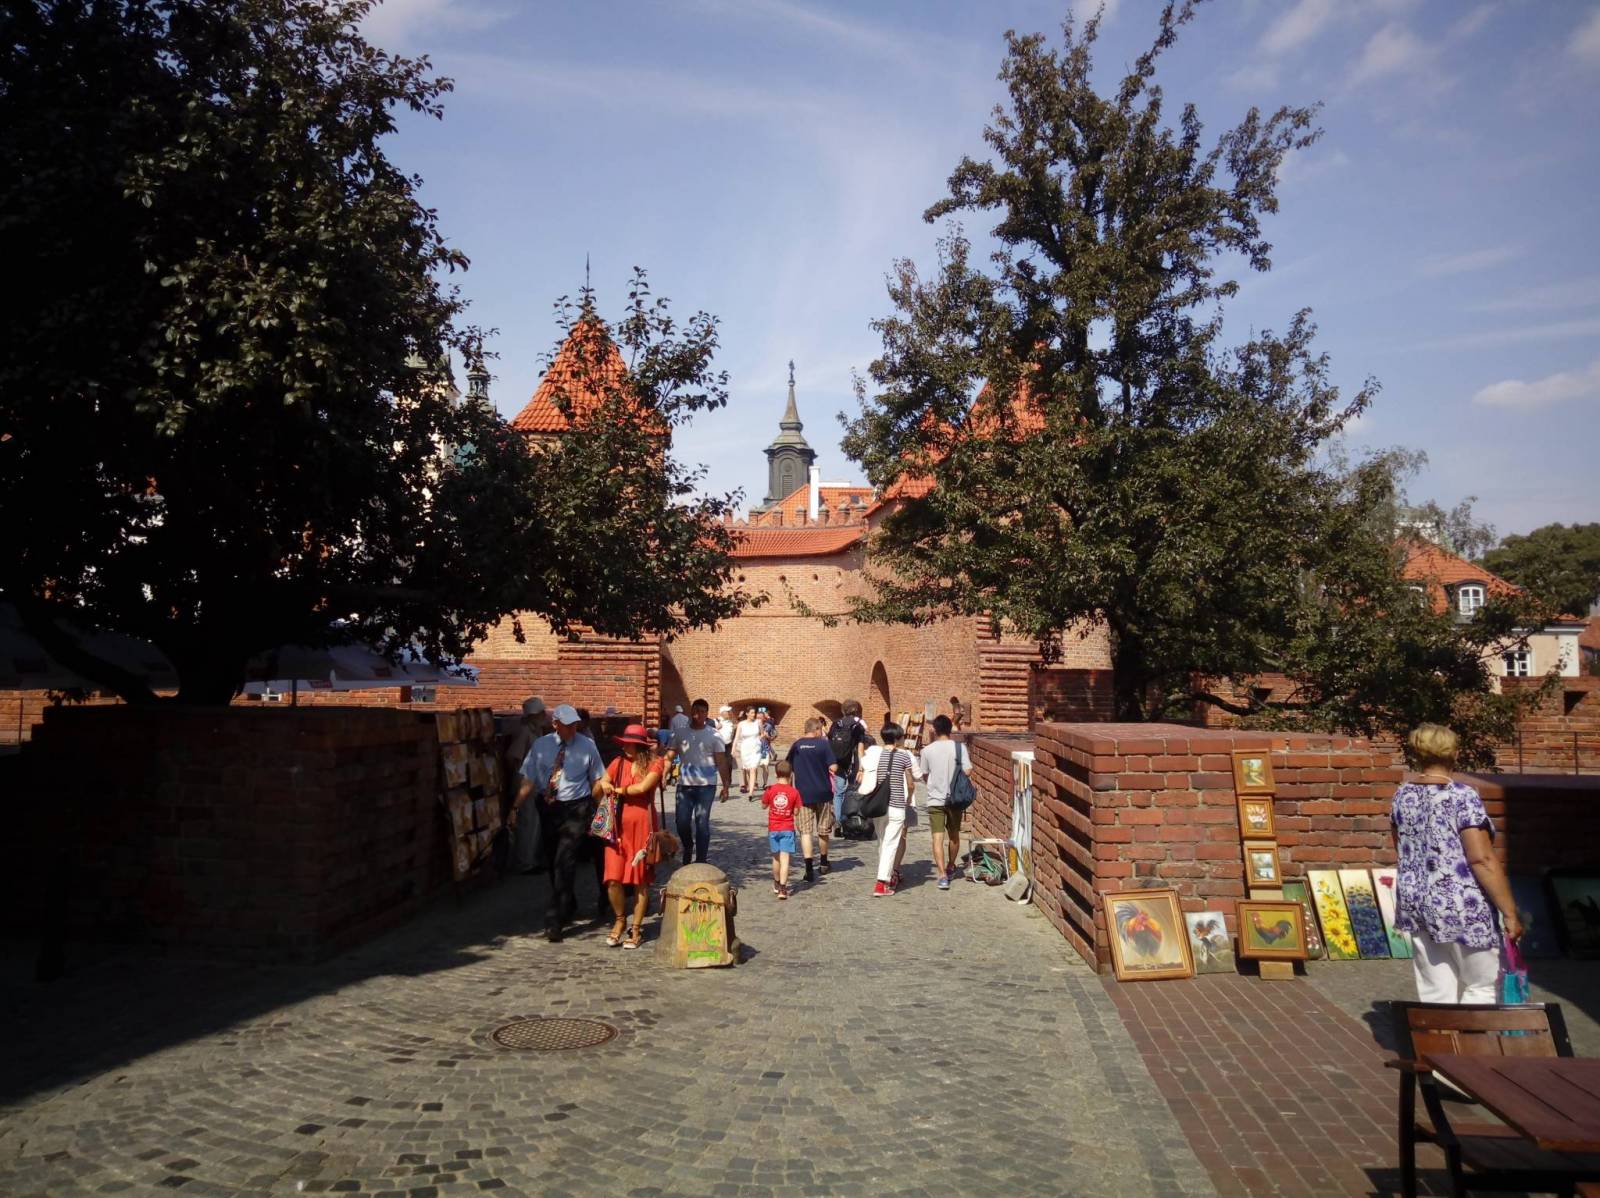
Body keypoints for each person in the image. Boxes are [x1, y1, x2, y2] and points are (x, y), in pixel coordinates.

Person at [1390, 723, 1522, 1003]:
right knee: (1482, 985)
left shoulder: (1402, 795)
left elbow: (1401, 849)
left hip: (1417, 902)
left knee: (1435, 991)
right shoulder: (1462, 796)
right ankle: (1471, 1034)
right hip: (1464, 905)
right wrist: (1510, 912)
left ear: (1416, 753)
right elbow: (1481, 858)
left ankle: (1440, 1033)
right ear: (1455, 753)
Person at [514, 703, 611, 943]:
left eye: (575, 725)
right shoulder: (541, 745)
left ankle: (555, 918)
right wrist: (515, 807)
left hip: (576, 808)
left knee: (565, 860)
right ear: (555, 724)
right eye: (568, 725)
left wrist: (601, 809)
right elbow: (529, 779)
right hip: (548, 807)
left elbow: (597, 779)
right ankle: (567, 901)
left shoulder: (587, 745)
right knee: (552, 859)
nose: (572, 729)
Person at [601, 724, 664, 950]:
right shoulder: (618, 763)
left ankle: (636, 928)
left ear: (640, 746)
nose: (625, 747)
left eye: (629, 743)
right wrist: (605, 784)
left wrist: (618, 790)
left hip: (642, 826)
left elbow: (642, 788)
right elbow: (602, 781)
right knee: (612, 878)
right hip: (616, 827)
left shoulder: (656, 763)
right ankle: (620, 920)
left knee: (640, 880)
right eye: (624, 743)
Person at [859, 722, 920, 897]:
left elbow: (862, 760)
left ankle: (884, 877)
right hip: (897, 805)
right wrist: (909, 798)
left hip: (878, 804)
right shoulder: (904, 756)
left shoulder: (875, 754)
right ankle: (882, 883)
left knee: (882, 841)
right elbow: (911, 782)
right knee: (891, 843)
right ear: (898, 738)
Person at [671, 698, 730, 865]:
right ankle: (688, 846)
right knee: (681, 822)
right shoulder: (680, 733)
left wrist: (725, 786)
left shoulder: (714, 735)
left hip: (707, 785)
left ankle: (701, 860)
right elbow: (669, 756)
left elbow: (721, 761)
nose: (699, 714)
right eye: (696, 710)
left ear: (706, 714)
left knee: (702, 822)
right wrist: (662, 774)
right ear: (691, 712)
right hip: (685, 784)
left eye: (702, 711)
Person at [920, 714, 971, 891]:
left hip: (935, 799)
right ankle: (950, 865)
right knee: (954, 835)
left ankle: (942, 875)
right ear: (950, 729)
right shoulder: (960, 747)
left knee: (937, 837)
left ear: (935, 730)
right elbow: (968, 771)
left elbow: (924, 774)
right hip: (955, 798)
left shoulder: (927, 750)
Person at [787, 716, 837, 882]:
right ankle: (823, 863)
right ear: (816, 729)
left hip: (803, 794)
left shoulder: (796, 745)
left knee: (805, 832)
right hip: (823, 793)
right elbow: (833, 767)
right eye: (821, 729)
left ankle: (808, 869)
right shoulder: (824, 744)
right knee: (823, 830)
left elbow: (788, 768)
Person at [503, 697, 548, 874]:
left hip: (535, 782)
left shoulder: (537, 731)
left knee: (535, 823)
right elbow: (512, 756)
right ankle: (525, 862)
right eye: (541, 713)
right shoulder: (525, 732)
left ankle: (532, 859)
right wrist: (518, 772)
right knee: (527, 822)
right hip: (525, 782)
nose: (543, 716)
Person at [762, 760, 802, 899]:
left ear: (775, 774)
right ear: (791, 775)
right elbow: (796, 812)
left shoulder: (770, 790)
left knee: (776, 858)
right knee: (785, 859)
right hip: (787, 829)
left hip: (773, 828)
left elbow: (763, 805)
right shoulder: (794, 792)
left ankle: (776, 882)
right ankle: (783, 889)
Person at [827, 699, 870, 826]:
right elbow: (860, 750)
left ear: (843, 710)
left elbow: (829, 743)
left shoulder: (836, 724)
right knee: (852, 791)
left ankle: (838, 820)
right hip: (852, 763)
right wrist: (861, 769)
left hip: (837, 762)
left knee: (838, 792)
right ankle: (850, 819)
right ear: (856, 711)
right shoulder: (858, 726)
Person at [735, 707, 763, 795]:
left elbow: (762, 733)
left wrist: (758, 739)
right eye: (751, 713)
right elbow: (736, 737)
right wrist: (733, 749)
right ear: (747, 713)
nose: (753, 715)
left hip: (755, 748)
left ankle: (751, 792)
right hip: (745, 748)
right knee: (747, 768)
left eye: (754, 713)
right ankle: (749, 784)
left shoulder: (758, 722)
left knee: (753, 768)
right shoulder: (741, 724)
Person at [715, 704, 736, 794]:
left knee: (729, 763)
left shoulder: (730, 722)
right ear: (722, 713)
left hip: (728, 745)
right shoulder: (716, 721)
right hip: (719, 745)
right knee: (721, 764)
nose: (729, 713)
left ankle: (728, 779)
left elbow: (732, 733)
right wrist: (716, 728)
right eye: (727, 712)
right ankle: (724, 780)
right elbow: (710, 731)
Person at [755, 707, 776, 790]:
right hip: (755, 749)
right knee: (754, 767)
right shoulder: (753, 726)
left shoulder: (769, 726)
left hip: (764, 749)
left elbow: (774, 735)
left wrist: (768, 737)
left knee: (765, 766)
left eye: (760, 718)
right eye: (757, 718)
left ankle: (765, 784)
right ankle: (755, 782)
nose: (759, 720)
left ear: (764, 718)